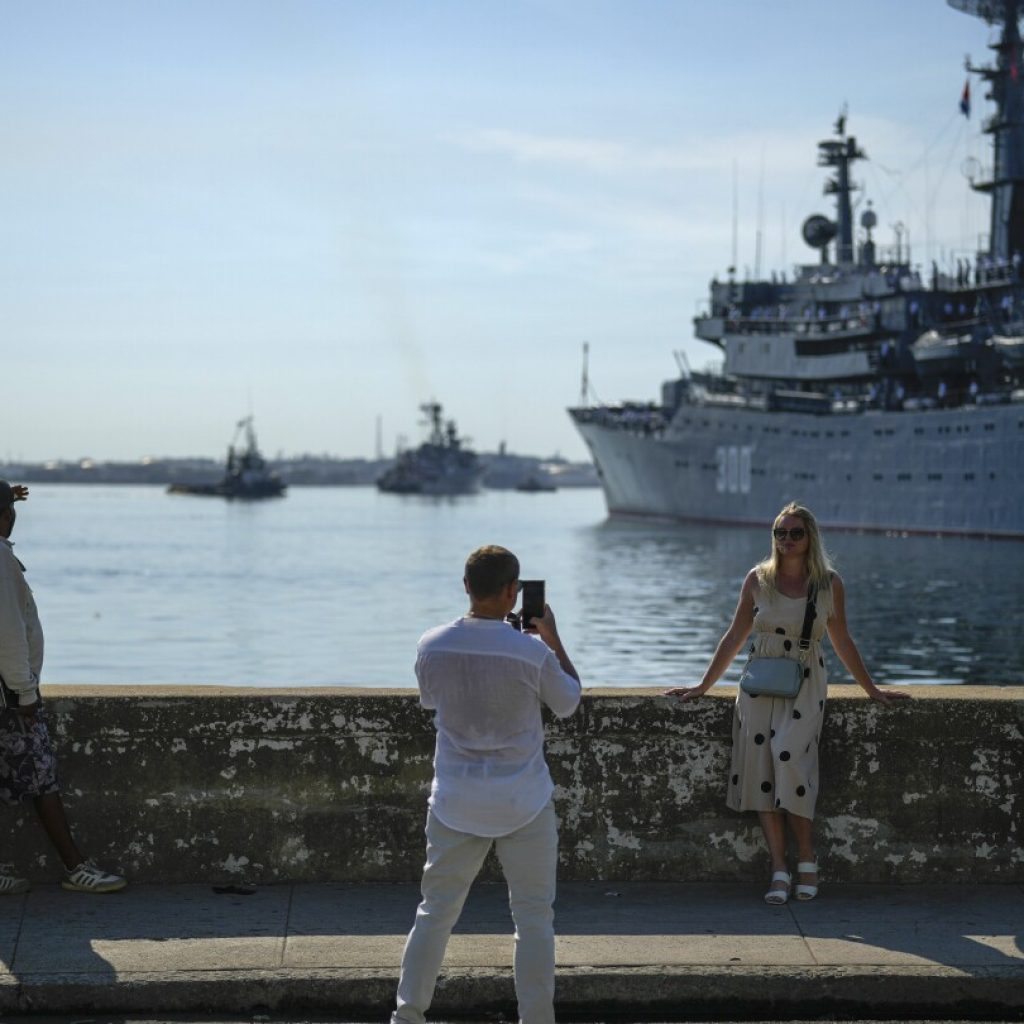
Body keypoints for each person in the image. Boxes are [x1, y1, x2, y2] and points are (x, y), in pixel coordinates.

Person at [665, 503, 910, 905]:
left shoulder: (828, 583)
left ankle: (808, 857)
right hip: (759, 683)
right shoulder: (758, 579)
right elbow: (733, 636)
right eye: (780, 532)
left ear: (810, 536)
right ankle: (779, 867)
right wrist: (703, 685)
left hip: (805, 682)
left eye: (795, 533)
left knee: (789, 756)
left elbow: (842, 640)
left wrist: (873, 691)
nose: (787, 540)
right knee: (762, 769)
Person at [391, 545, 581, 1024]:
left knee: (434, 914)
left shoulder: (432, 644)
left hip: (455, 799)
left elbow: (431, 701)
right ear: (512, 592)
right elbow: (569, 702)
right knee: (533, 919)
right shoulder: (532, 652)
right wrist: (552, 638)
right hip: (524, 801)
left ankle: (407, 1016)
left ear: (466, 587)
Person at [0, 481, 127, 894]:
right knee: (42, 779)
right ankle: (76, 867)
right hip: (9, 697)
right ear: (7, 515)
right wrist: (25, 693)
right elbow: (9, 634)